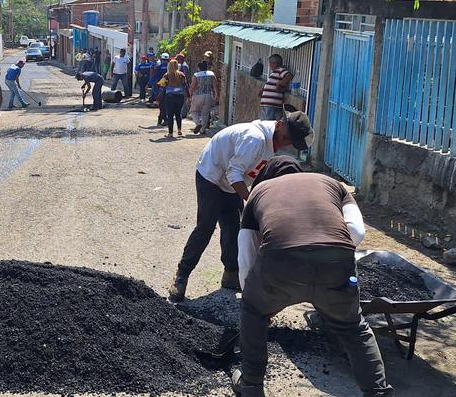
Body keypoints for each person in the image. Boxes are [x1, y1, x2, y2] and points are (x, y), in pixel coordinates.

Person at [231, 156, 393, 397]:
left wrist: (256, 300)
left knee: (252, 313)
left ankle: (251, 386)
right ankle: (378, 393)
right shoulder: (333, 183)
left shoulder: (260, 191)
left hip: (280, 261)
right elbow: (357, 230)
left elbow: (246, 250)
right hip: (336, 262)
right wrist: (329, 256)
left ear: (267, 177)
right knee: (353, 328)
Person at [168, 112, 313, 301]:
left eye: (290, 141)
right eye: (286, 137)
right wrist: (252, 201)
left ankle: (230, 274)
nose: (286, 143)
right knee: (206, 226)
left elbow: (249, 175)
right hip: (211, 174)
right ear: (279, 124)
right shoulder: (255, 139)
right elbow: (233, 172)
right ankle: (181, 276)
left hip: (230, 181)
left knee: (234, 227)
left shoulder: (270, 142)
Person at [189, 60, 220, 134]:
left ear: (199, 68)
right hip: (208, 95)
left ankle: (198, 123)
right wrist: (216, 95)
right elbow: (215, 86)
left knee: (193, 111)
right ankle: (202, 130)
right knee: (205, 113)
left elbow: (193, 86)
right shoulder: (211, 74)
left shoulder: (196, 75)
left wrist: (189, 95)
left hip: (198, 95)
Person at [260, 54, 293, 121]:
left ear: (275, 63)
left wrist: (280, 84)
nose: (270, 65)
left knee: (268, 124)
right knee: (265, 123)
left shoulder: (281, 70)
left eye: (270, 63)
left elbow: (289, 76)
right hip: (267, 103)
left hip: (271, 103)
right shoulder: (274, 72)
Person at [162, 59, 187, 138]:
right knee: (178, 113)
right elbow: (186, 86)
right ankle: (179, 130)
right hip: (180, 97)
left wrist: (158, 97)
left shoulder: (166, 75)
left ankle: (170, 133)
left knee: (170, 115)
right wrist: (189, 96)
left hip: (170, 97)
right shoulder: (181, 75)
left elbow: (162, 86)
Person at [150, 53, 170, 125]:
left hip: (161, 88)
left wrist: (151, 84)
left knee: (162, 104)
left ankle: (163, 118)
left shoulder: (159, 67)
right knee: (166, 104)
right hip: (170, 88)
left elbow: (155, 78)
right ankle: (162, 117)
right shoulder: (171, 68)